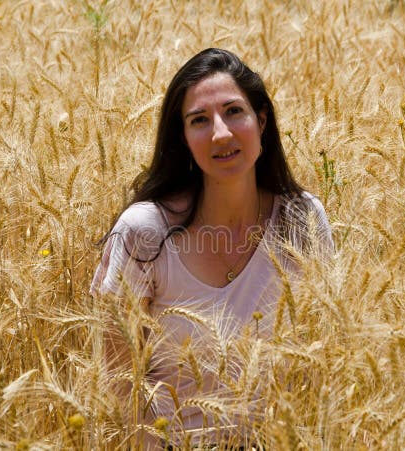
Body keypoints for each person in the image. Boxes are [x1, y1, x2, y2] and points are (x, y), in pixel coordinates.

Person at [90, 48, 333, 448]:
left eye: (234, 111)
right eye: (199, 120)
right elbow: (118, 384)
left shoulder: (302, 220)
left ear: (262, 120)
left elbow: (325, 353)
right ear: (183, 139)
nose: (221, 132)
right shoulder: (144, 232)